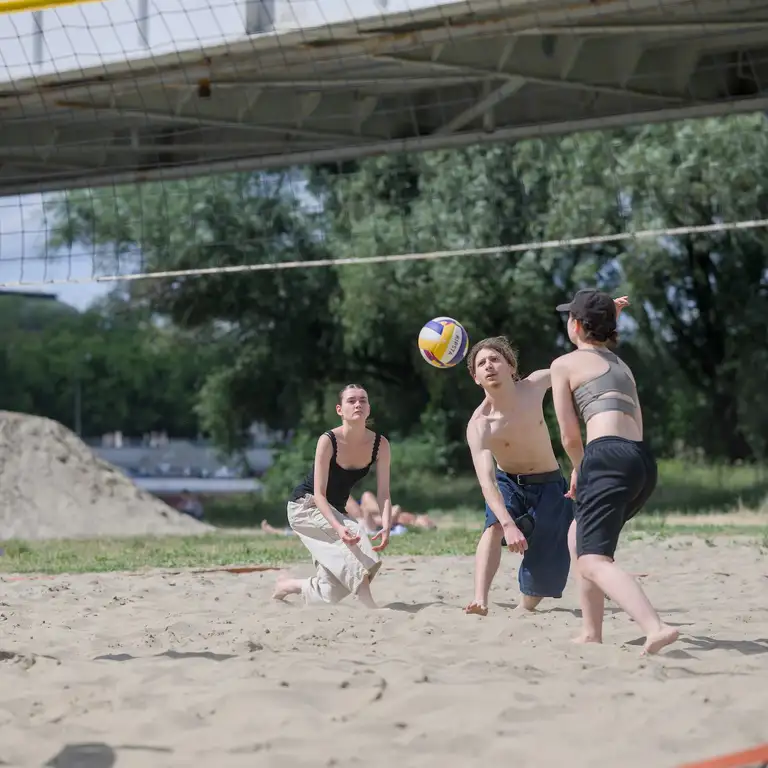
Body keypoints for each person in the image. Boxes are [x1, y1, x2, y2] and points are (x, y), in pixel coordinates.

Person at [550, 288, 679, 655]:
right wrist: (610, 314)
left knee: (593, 559)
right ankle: (591, 631)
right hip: (640, 461)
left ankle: (654, 627)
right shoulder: (621, 364)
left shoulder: (565, 364)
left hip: (605, 456)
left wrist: (579, 467)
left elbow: (569, 434)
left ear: (575, 325)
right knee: (580, 537)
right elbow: (600, 349)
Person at [464, 336, 574, 616]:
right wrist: (507, 523)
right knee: (493, 527)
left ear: (511, 366)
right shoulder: (479, 426)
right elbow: (487, 482)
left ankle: (524, 607)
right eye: (481, 363)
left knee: (544, 572)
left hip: (550, 485)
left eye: (495, 359)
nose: (488, 366)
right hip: (508, 482)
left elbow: (574, 364)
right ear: (475, 377)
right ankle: (480, 598)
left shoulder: (535, 385)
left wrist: (601, 322)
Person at [272, 384, 392, 609]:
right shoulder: (328, 440)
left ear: (369, 408)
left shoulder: (380, 444)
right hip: (306, 507)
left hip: (335, 511)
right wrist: (339, 527)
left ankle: (289, 585)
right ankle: (370, 606)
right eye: (351, 400)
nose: (358, 404)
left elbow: (384, 493)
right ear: (340, 409)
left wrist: (386, 525)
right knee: (357, 541)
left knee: (333, 589)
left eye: (363, 400)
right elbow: (319, 494)